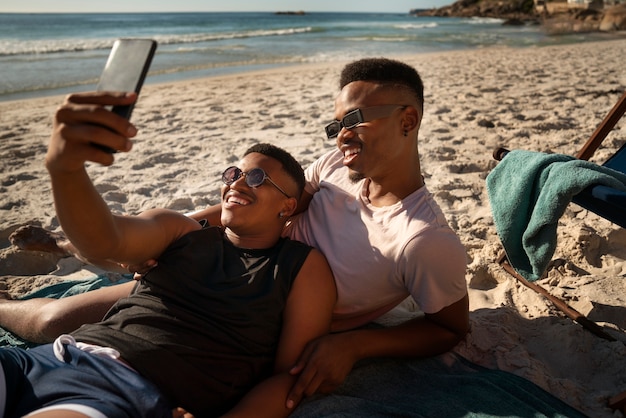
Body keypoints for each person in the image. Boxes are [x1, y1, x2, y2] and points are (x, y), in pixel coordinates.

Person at [4, 58, 469, 409]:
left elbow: (449, 327)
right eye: (336, 124)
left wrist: (356, 343)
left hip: (267, 313)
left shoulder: (422, 238)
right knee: (50, 321)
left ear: (408, 120)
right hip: (231, 266)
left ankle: (67, 248)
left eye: (354, 120)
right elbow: (266, 204)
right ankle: (58, 253)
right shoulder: (334, 168)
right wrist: (185, 238)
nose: (340, 136)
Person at [0, 93, 336, 418]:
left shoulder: (300, 266)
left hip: (123, 389)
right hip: (55, 356)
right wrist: (66, 170)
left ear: (288, 206)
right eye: (233, 173)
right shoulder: (182, 232)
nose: (237, 183)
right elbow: (106, 240)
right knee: (50, 321)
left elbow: (288, 376)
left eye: (257, 177)